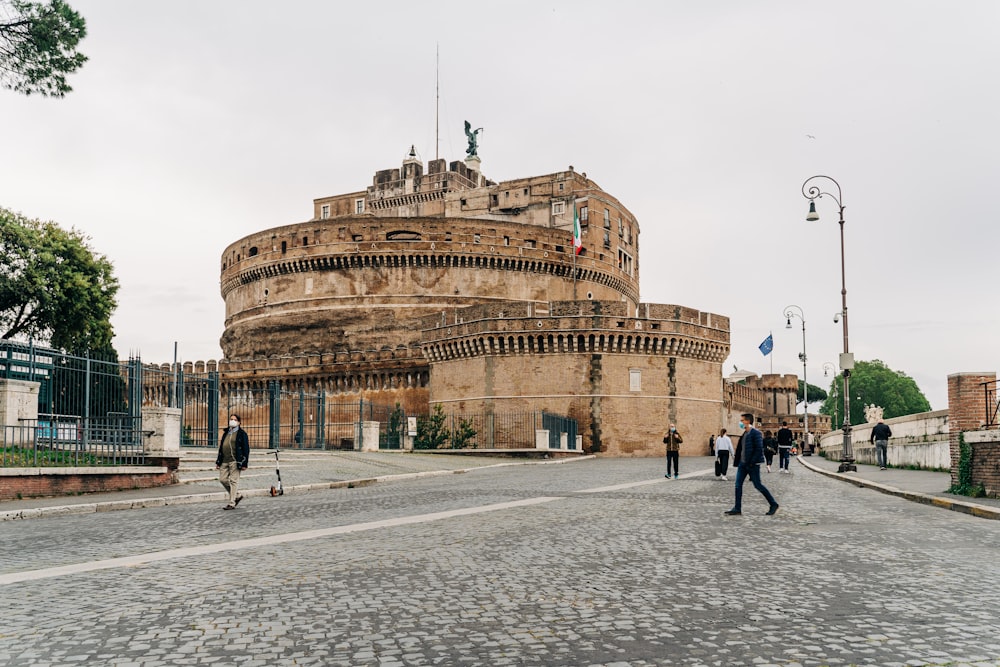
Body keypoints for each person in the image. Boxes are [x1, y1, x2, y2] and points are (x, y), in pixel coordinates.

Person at [725, 413, 779, 516]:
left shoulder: (756, 433)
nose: (740, 423)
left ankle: (773, 504)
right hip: (743, 464)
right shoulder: (744, 433)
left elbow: (759, 449)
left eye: (742, 420)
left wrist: (751, 462)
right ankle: (737, 508)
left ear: (748, 421)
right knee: (737, 485)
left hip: (752, 465)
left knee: (758, 485)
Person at [215, 413, 250, 509]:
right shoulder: (226, 433)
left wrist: (244, 463)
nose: (232, 421)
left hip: (236, 460)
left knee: (234, 481)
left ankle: (231, 503)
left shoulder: (242, 434)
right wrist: (218, 461)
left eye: (235, 419)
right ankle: (237, 495)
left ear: (239, 422)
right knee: (223, 480)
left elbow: (246, 449)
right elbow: (221, 447)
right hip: (224, 460)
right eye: (231, 419)